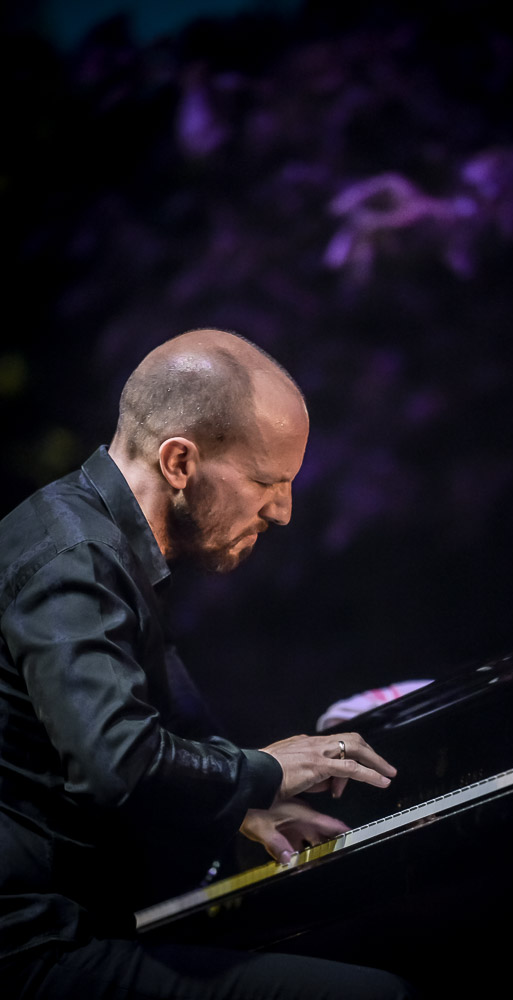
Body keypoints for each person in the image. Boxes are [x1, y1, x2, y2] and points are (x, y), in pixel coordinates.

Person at [0, 329, 417, 999]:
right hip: (33, 950)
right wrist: (267, 772)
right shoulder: (72, 562)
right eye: (265, 481)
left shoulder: (92, 541)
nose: (281, 511)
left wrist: (232, 811)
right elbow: (119, 764)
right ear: (178, 462)